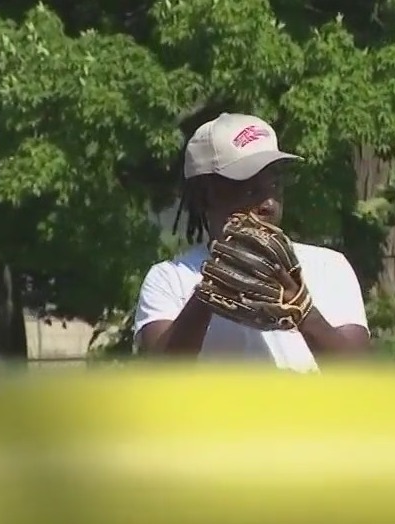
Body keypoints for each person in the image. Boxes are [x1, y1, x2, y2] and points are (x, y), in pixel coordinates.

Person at [132, 112, 370, 372]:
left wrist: (303, 311)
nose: (268, 203)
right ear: (203, 196)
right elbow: (162, 374)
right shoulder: (169, 278)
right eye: (248, 187)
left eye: (274, 184)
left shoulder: (328, 266)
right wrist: (210, 292)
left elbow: (357, 375)